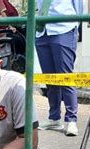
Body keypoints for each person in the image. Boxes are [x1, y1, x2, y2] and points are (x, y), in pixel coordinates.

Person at [35, 0, 83, 137]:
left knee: (65, 76)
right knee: (49, 77)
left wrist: (74, 26)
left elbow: (79, 6)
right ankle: (54, 117)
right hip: (42, 31)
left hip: (64, 28)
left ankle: (71, 119)